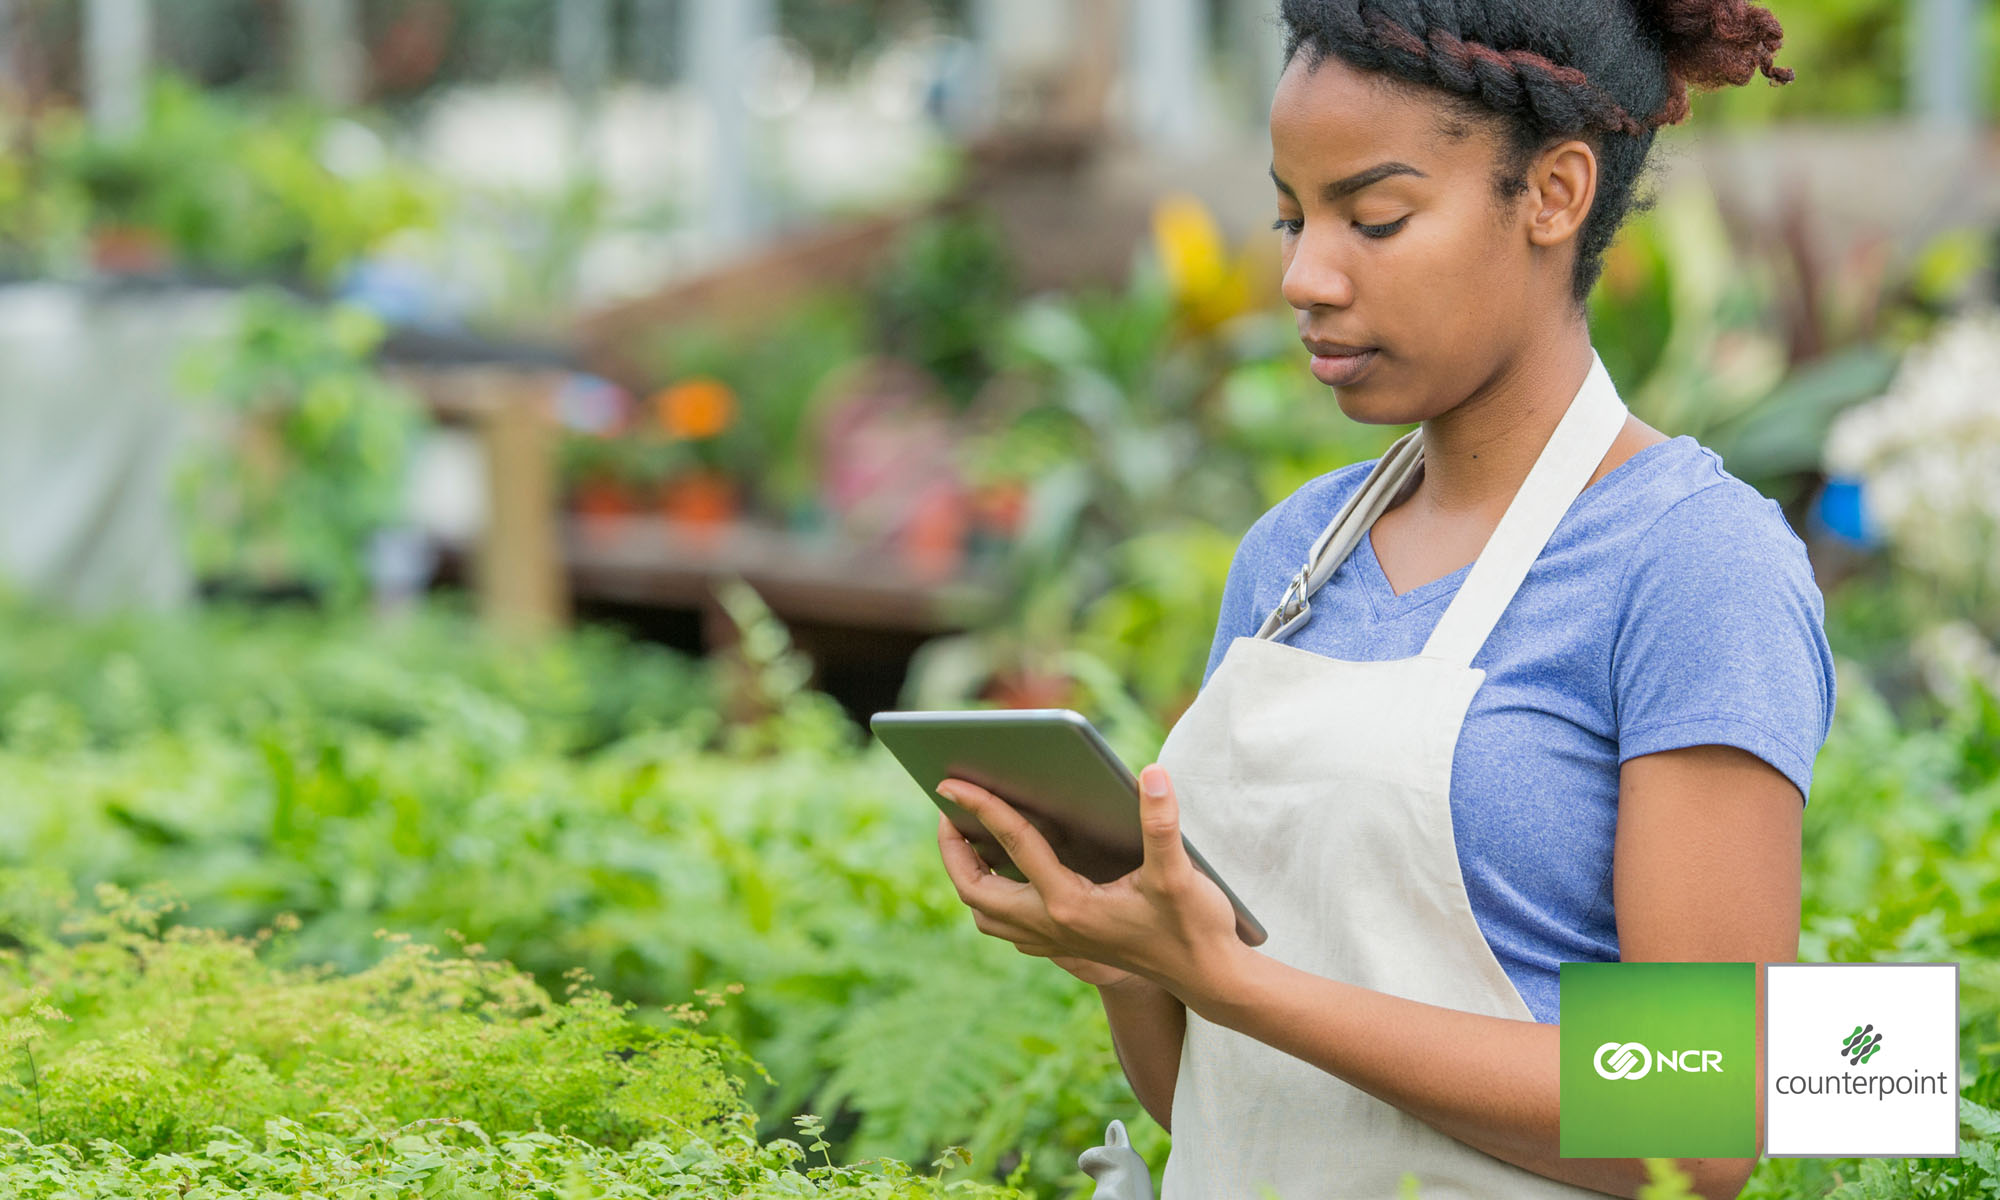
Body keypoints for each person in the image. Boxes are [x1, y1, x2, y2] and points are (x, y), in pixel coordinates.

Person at [934, 1, 1833, 1196]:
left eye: (1374, 217)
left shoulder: (1689, 563)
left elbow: (1700, 1121)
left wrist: (1235, 982)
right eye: (1290, 215)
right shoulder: (1289, 556)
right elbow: (1217, 1094)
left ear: (1553, 195)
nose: (1303, 274)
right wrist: (1126, 957)